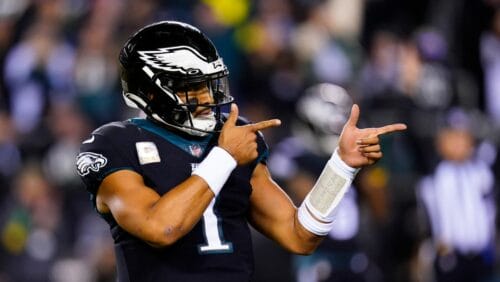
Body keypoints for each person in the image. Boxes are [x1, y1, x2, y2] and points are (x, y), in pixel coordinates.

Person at [75, 21, 407, 282]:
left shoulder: (232, 135)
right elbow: (161, 228)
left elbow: (300, 236)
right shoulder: (116, 144)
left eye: (209, 85)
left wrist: (342, 166)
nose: (206, 97)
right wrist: (223, 158)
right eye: (192, 87)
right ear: (151, 91)